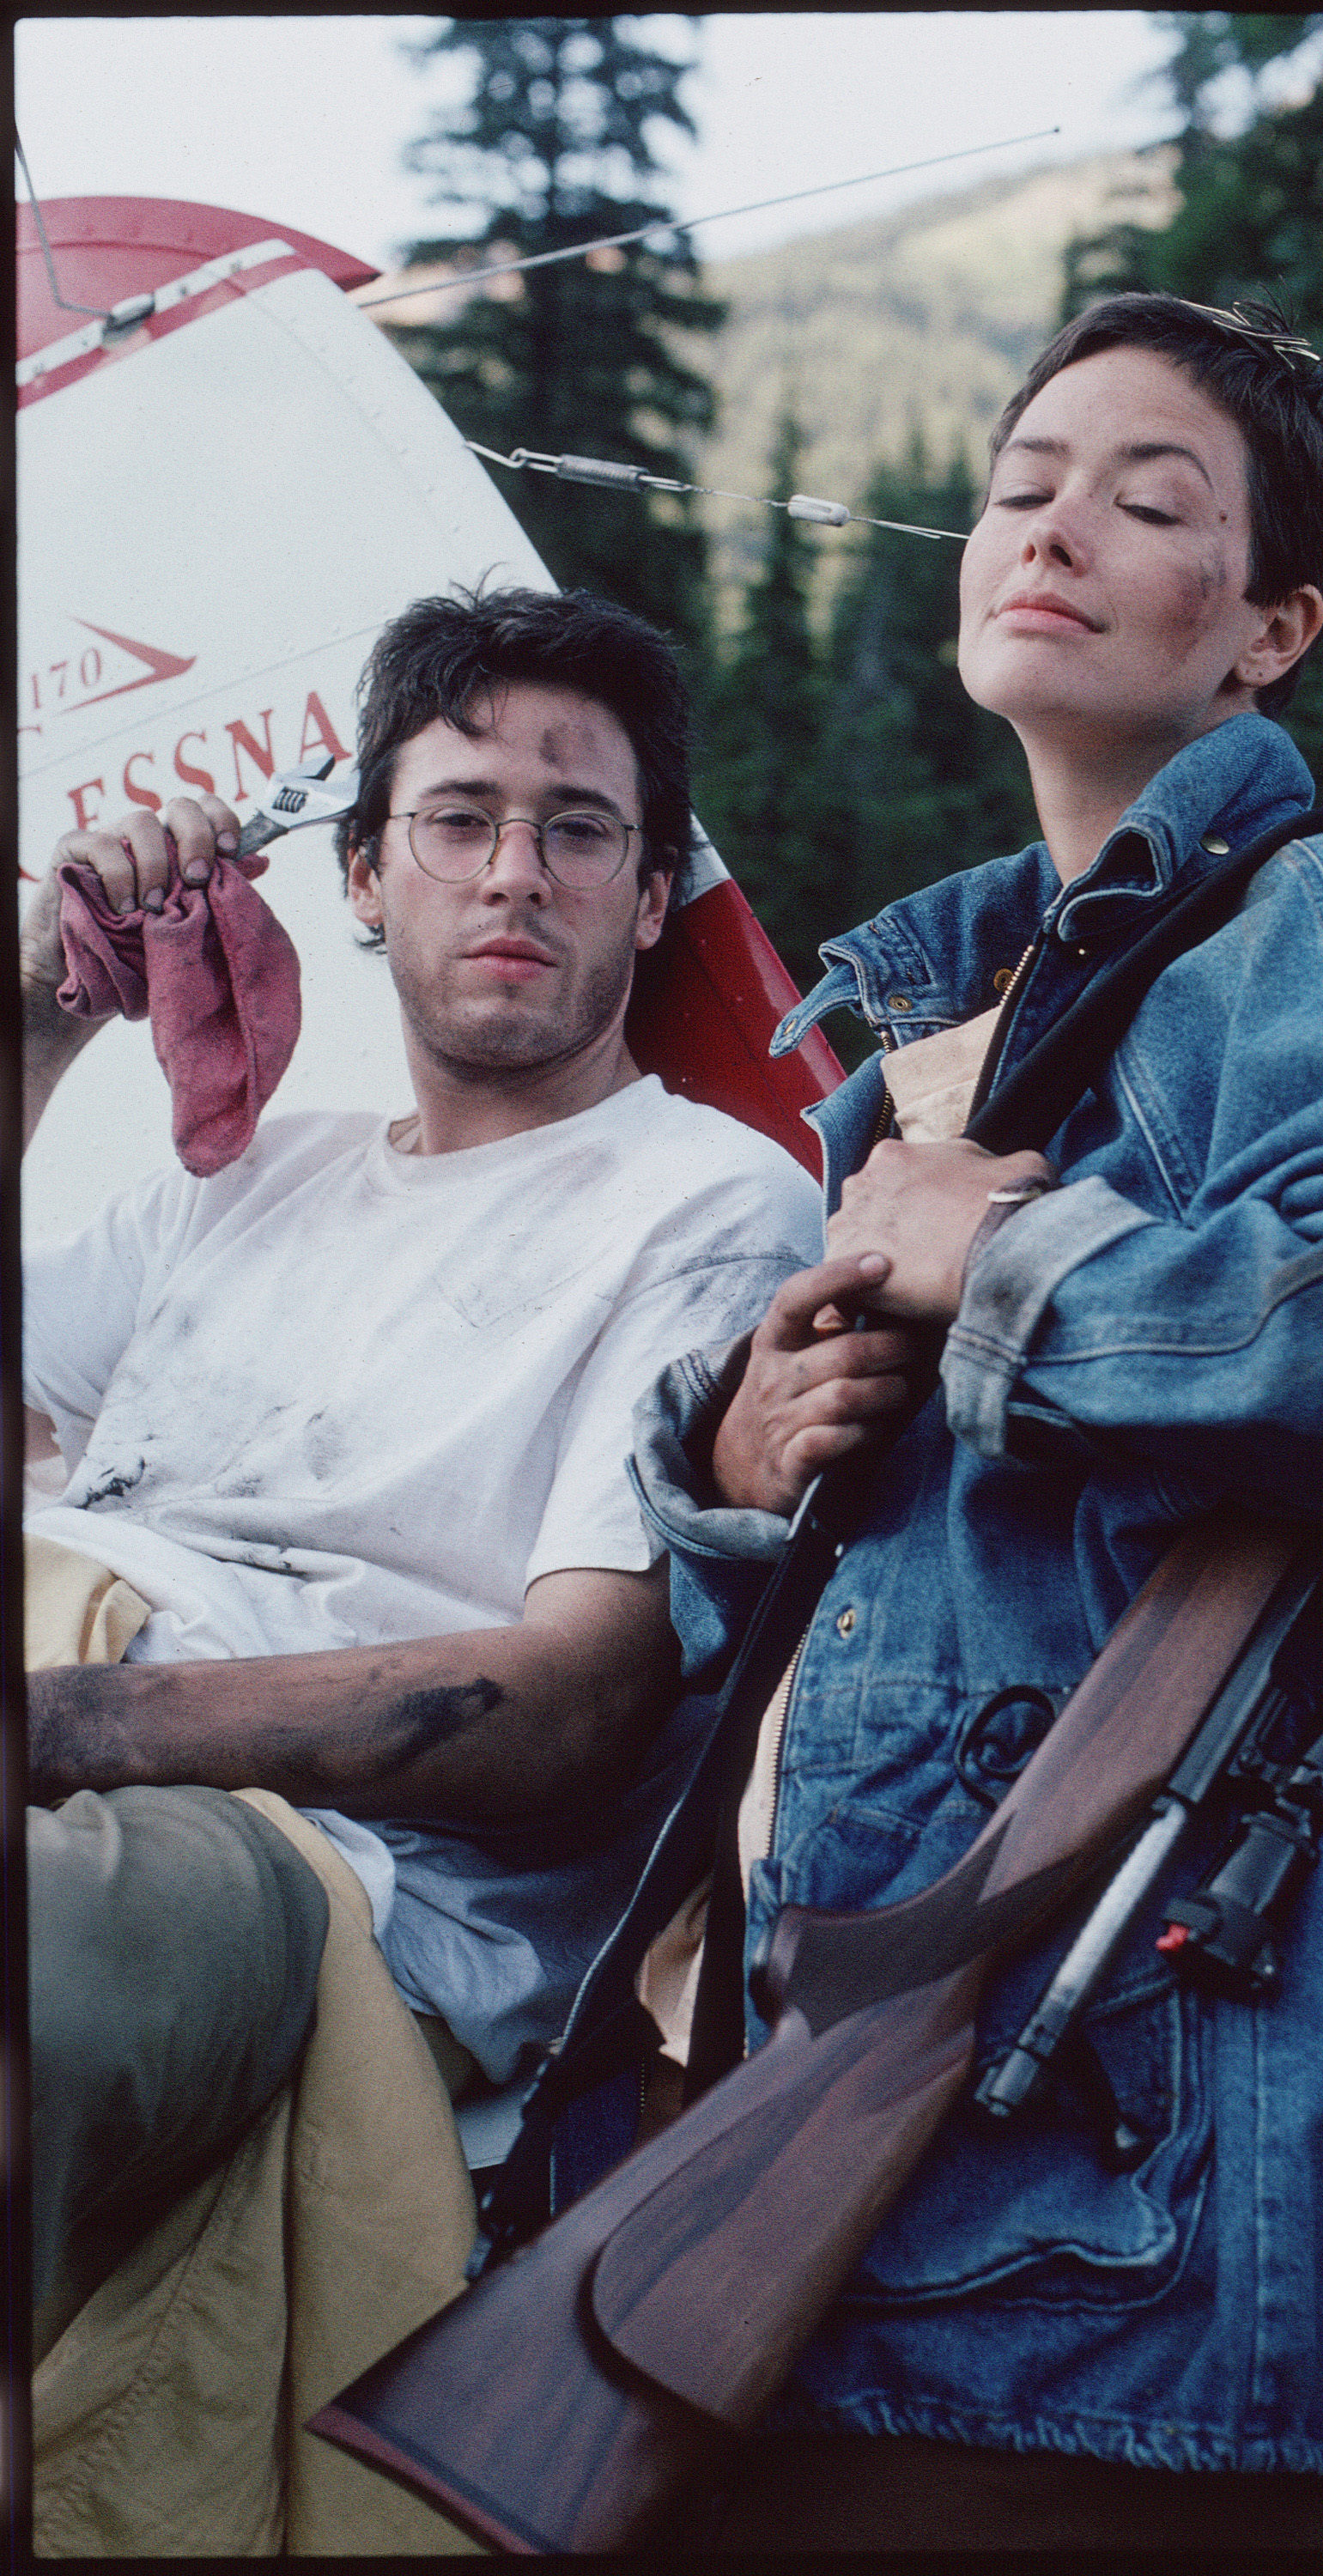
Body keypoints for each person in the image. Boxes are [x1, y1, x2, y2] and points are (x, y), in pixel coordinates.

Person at [625, 295, 1323, 2548]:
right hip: (845, 2133)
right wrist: (736, 1459)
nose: (1054, 519)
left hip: (1142, 2171)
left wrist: (1014, 1274)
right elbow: (887, 1594)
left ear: (1270, 626)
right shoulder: (916, 1037)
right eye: (1015, 482)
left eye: (1149, 497)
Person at [19, 583, 821, 2552]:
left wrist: (65, 1721)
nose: (515, 871)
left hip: (303, 1862)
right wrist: (35, 1026)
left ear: (648, 901)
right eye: (459, 819)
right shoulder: (245, 1174)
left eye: (578, 829)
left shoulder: (709, 1202)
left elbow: (574, 1710)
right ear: (364, 873)